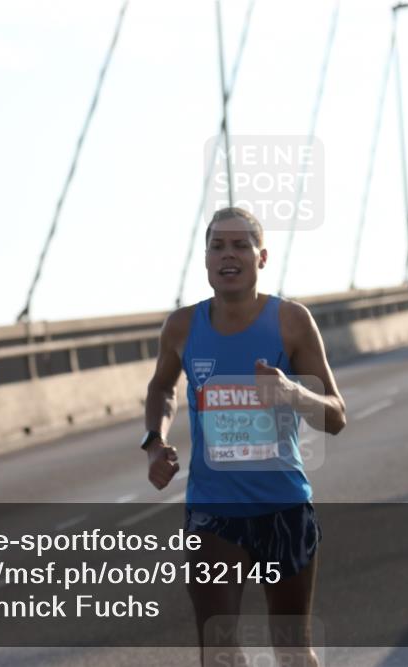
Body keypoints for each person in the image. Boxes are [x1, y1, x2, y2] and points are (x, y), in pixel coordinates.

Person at [141, 207, 346, 666]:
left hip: (283, 508)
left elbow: (336, 416)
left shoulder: (291, 321)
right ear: (206, 259)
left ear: (262, 256)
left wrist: (293, 393)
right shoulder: (182, 326)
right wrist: (155, 440)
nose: (228, 255)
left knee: (293, 653)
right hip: (213, 513)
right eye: (217, 246)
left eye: (240, 245)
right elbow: (160, 386)